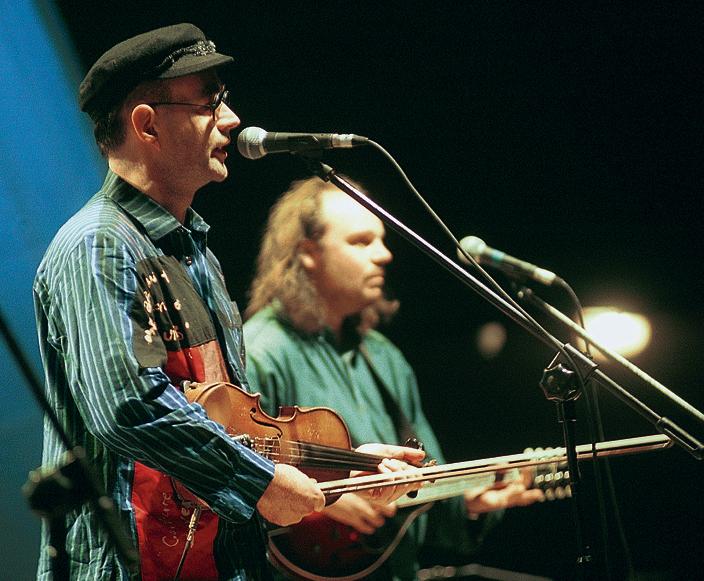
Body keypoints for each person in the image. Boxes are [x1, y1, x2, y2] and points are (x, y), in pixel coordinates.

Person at [34, 24, 422, 581]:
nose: (232, 118)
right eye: (209, 102)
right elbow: (130, 404)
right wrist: (260, 483)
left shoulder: (196, 255)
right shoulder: (99, 246)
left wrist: (344, 467)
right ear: (146, 124)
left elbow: (235, 428)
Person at [243, 177, 545, 580]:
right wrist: (323, 499)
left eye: (382, 241)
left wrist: (466, 502)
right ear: (309, 253)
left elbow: (423, 483)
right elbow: (229, 483)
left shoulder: (385, 357)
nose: (384, 255)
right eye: (361, 242)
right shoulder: (261, 351)